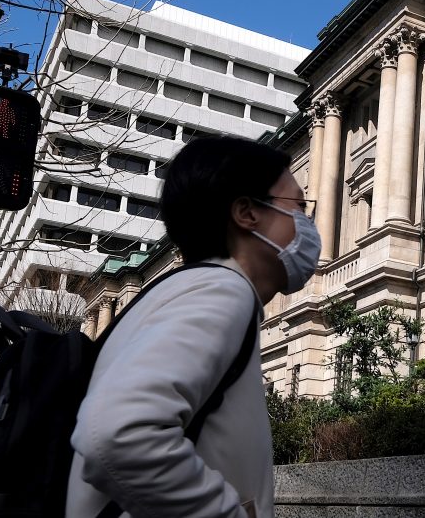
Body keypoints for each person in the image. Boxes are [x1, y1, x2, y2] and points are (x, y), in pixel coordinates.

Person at [66, 136, 320, 518]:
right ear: (247, 213)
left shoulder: (193, 292)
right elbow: (117, 435)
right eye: (298, 207)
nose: (307, 223)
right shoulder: (222, 291)